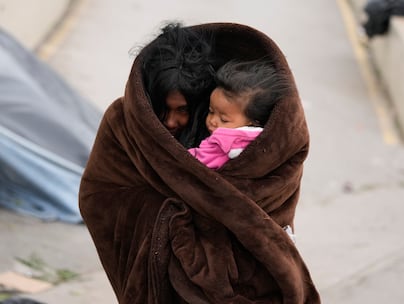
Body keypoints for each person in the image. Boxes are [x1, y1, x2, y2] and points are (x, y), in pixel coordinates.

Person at [79, 22, 320, 303]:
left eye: (182, 110)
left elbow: (271, 202)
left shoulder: (258, 141)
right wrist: (173, 217)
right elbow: (98, 197)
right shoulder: (122, 125)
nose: (170, 122)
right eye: (161, 109)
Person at [188, 59, 292, 169]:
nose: (212, 121)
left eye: (224, 119)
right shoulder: (268, 142)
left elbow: (194, 162)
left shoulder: (224, 141)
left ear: (253, 121)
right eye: (211, 111)